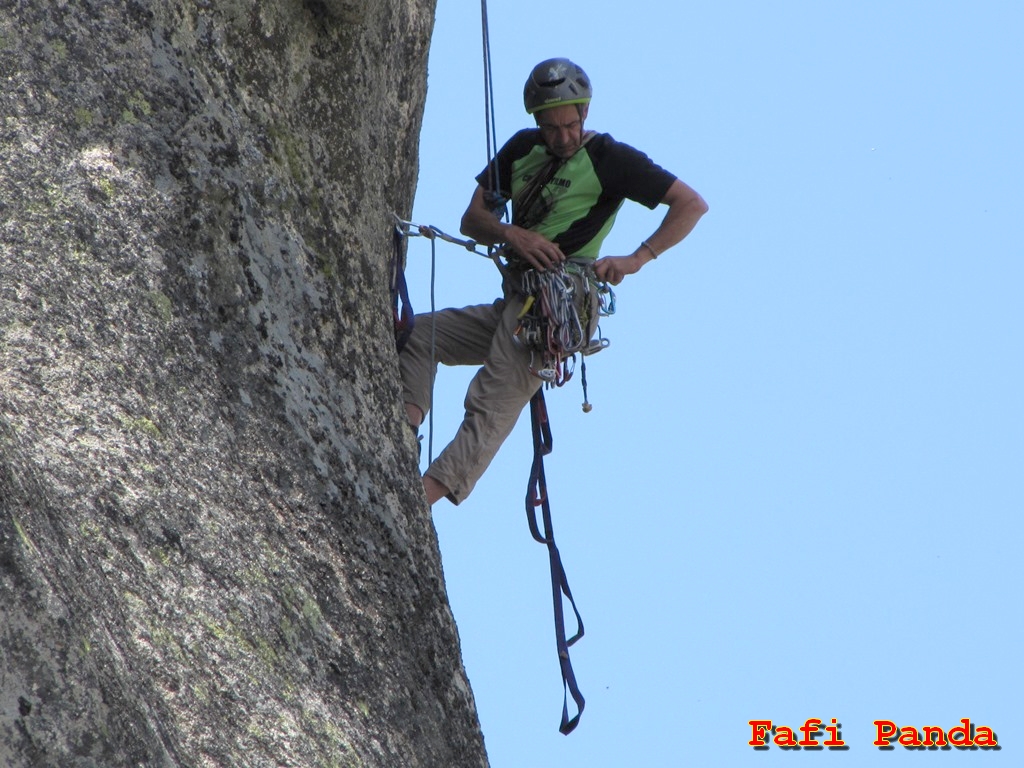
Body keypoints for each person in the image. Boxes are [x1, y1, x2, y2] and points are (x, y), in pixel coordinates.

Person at [400, 57, 707, 505]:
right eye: (551, 127)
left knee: (492, 400)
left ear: (585, 112)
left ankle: (417, 499)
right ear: (536, 123)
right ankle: (402, 433)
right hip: (518, 301)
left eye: (571, 124)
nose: (563, 137)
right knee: (418, 333)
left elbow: (690, 204)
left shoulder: (611, 159)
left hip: (554, 305)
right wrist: (509, 233)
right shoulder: (521, 150)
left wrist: (638, 258)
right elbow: (472, 219)